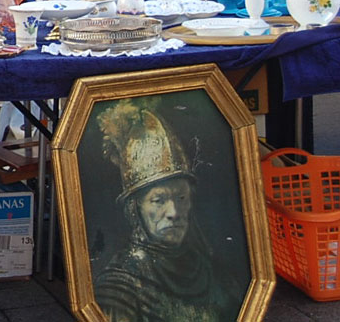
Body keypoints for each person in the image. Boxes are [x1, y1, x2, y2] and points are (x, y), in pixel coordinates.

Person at [93, 102, 239, 321]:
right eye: (158, 200)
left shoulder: (213, 273)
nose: (174, 212)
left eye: (181, 197)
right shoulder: (119, 289)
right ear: (135, 209)